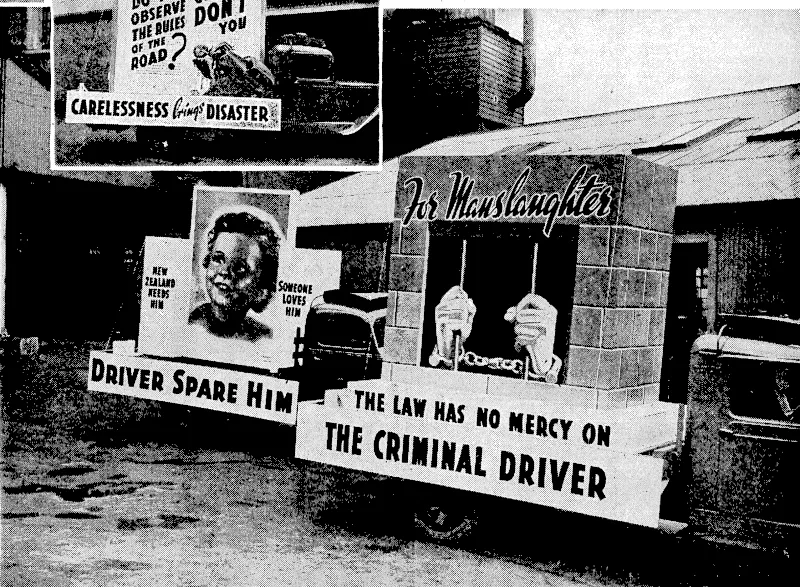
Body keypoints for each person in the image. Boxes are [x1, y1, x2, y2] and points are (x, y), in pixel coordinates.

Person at [189, 208, 282, 342]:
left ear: (262, 289)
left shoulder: (262, 337)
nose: (224, 271)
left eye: (240, 267)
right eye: (218, 259)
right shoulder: (191, 324)